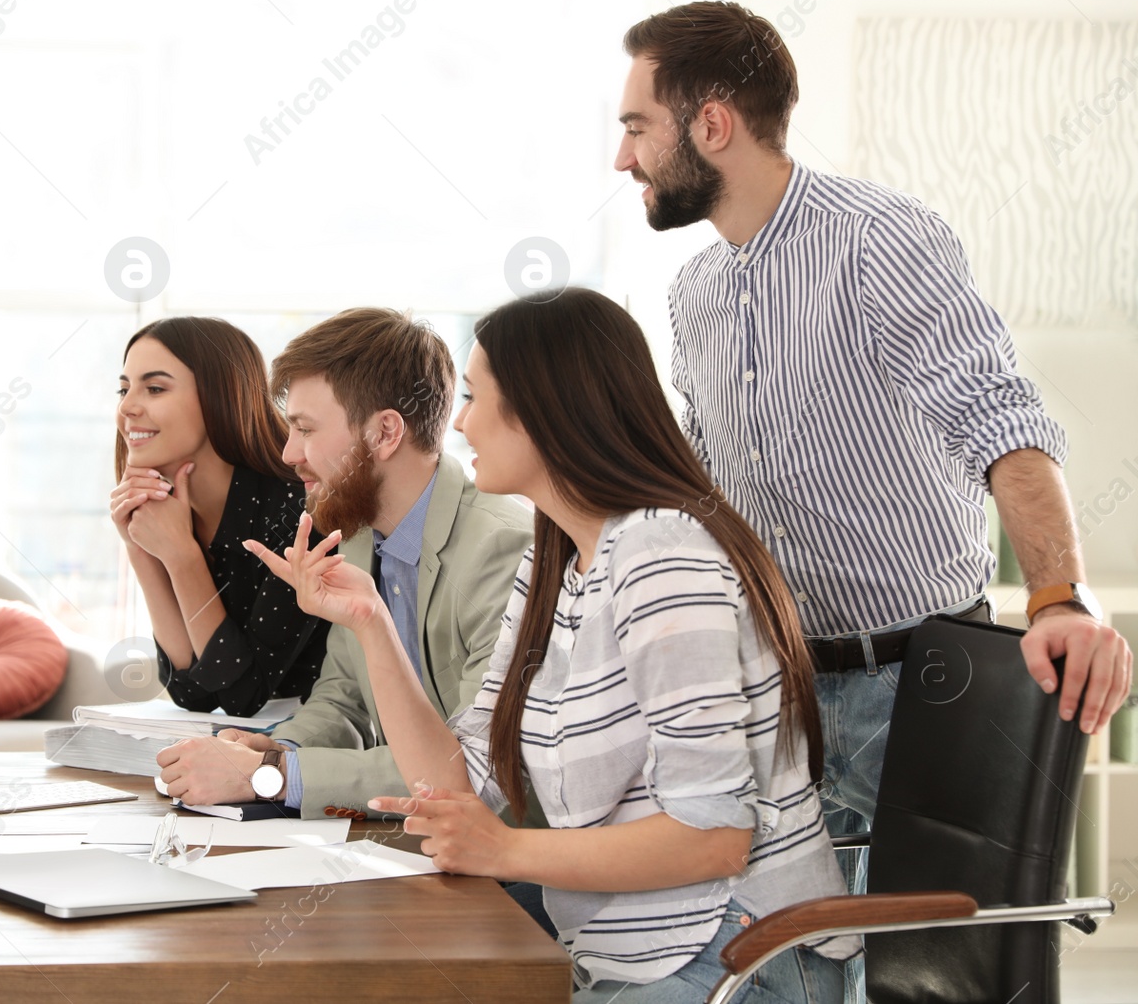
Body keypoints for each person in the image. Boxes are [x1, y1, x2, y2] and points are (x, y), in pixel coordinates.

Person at [613, 1, 1133, 1000]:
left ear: (709, 124)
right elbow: (713, 492)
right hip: (782, 688)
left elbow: (1001, 421)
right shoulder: (692, 295)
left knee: (940, 977)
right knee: (785, 971)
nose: (622, 158)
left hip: (922, 683)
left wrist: (1061, 592)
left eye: (637, 126)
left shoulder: (880, 241)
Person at [250, 289, 854, 1002]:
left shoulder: (662, 554)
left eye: (477, 397)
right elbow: (460, 776)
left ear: (545, 412)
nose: (461, 421)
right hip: (626, 956)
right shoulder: (556, 559)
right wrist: (372, 623)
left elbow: (715, 835)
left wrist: (504, 848)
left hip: (737, 953)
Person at [156, 308, 532, 824]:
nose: (289, 454)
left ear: (384, 434)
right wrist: (272, 749)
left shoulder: (503, 549)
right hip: (420, 849)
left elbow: (466, 774)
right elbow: (344, 698)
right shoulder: (355, 538)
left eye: (305, 429)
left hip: (504, 870)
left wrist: (269, 778)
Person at [111, 316, 328, 716]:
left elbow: (243, 697)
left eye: (154, 388)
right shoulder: (170, 513)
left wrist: (181, 556)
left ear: (219, 397)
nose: (127, 407)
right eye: (124, 389)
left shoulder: (297, 511)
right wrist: (138, 546)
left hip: (313, 749)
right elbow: (190, 692)